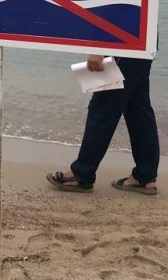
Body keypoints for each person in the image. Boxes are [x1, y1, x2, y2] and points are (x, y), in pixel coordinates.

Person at [46, 54, 159, 195]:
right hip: (142, 46)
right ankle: (144, 176)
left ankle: (82, 174)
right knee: (137, 109)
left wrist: (99, 51)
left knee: (103, 107)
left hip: (125, 48)